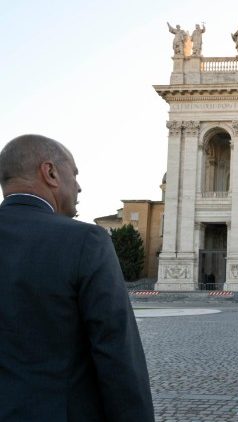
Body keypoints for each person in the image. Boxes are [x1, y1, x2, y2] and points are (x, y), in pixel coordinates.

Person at [0, 135, 154, 421]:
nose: (79, 185)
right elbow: (117, 356)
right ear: (51, 173)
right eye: (75, 173)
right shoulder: (85, 241)